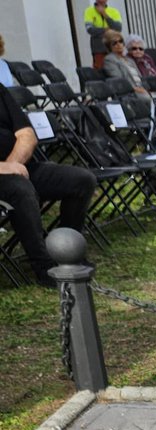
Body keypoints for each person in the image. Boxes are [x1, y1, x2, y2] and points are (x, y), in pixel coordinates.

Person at [0, 85, 97, 287]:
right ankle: (44, 266)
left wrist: (13, 164)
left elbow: (26, 134)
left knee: (82, 180)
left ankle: (65, 251)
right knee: (21, 190)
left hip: (17, 167)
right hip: (9, 176)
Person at [84, 0, 122, 70]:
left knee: (118, 69)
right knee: (100, 71)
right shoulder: (89, 11)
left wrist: (104, 13)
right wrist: (107, 30)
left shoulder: (114, 11)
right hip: (99, 49)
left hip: (114, 47)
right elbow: (90, 30)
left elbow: (118, 28)